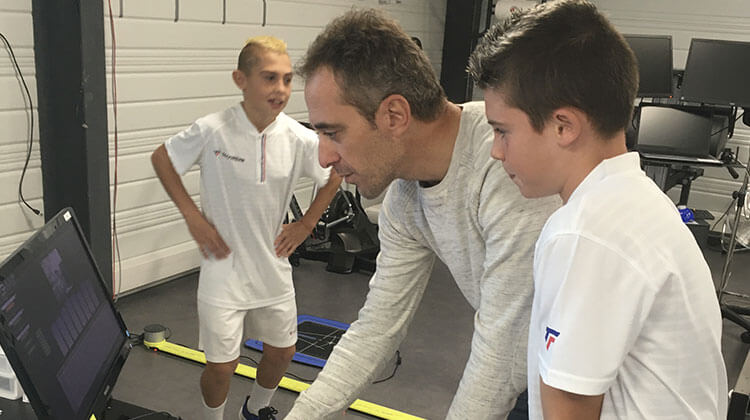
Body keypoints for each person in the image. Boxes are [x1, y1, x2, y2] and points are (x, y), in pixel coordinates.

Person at [285, 9, 559, 419]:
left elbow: (502, 354)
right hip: (534, 366)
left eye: (333, 133)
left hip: (609, 387)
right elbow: (377, 329)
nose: (323, 157)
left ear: (394, 115)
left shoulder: (504, 162)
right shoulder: (404, 200)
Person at [468, 1, 728, 418]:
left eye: (502, 131)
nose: (496, 152)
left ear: (563, 126)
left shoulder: (586, 232)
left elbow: (569, 410)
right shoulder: (633, 201)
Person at [150, 36, 341, 420]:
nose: (281, 89)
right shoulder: (213, 130)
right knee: (222, 366)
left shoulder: (298, 137)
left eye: (287, 79)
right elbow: (163, 159)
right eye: (270, 78)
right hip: (223, 269)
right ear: (241, 79)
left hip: (272, 265)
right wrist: (192, 216)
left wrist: (307, 223)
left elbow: (335, 172)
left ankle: (255, 409)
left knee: (283, 351)